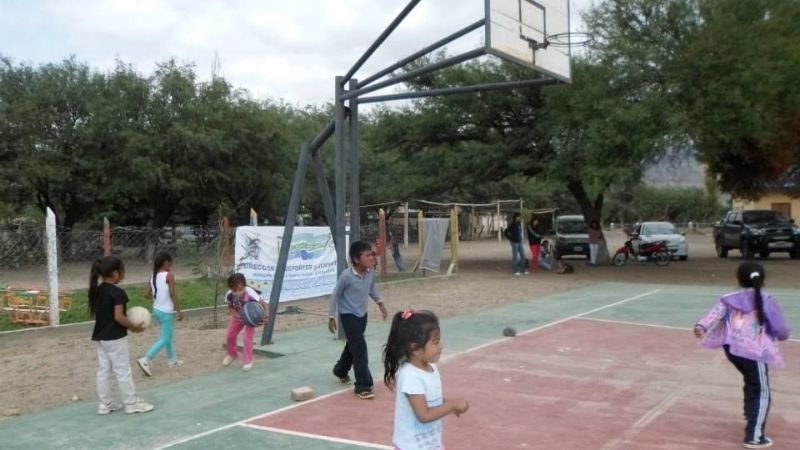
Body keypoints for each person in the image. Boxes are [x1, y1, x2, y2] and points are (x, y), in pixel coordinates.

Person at [694, 261, 790, 449]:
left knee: (751, 380)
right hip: (755, 352)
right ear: (763, 280)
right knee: (762, 390)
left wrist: (701, 326)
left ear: (738, 279)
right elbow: (782, 329)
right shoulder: (767, 299)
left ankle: (750, 413)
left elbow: (714, 315)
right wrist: (781, 335)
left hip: (732, 349)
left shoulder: (728, 298)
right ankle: (754, 436)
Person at [383, 308, 469, 449]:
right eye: (435, 342)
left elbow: (431, 399)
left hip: (431, 445)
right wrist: (452, 405)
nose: (441, 346)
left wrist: (447, 404)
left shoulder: (431, 368)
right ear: (415, 349)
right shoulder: (411, 376)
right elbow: (423, 415)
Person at [89, 256, 154, 415]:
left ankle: (105, 403)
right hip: (115, 337)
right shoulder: (118, 293)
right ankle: (131, 403)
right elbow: (119, 317)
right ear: (116, 273)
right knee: (123, 370)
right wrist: (133, 327)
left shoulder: (98, 290)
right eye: (123, 271)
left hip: (101, 337)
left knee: (104, 370)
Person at [328, 240, 388, 399]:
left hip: (362, 315)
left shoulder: (369, 273)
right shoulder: (346, 276)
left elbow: (372, 289)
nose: (372, 258)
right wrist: (331, 316)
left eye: (372, 255)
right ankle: (363, 386)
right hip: (348, 315)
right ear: (356, 259)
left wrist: (380, 303)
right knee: (360, 347)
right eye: (367, 255)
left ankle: (340, 370)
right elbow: (335, 295)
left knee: (353, 344)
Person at [137, 251, 183, 377]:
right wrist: (179, 311)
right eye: (171, 263)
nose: (171, 266)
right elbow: (173, 294)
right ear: (166, 262)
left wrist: (158, 296)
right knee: (166, 338)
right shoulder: (169, 275)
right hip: (166, 312)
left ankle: (172, 359)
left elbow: (146, 294)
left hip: (156, 310)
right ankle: (146, 359)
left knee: (168, 336)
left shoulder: (152, 276)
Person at [223, 273, 268, 371]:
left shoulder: (250, 292)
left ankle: (247, 361)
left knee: (247, 338)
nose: (238, 293)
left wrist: (266, 316)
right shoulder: (229, 295)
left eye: (240, 289)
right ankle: (232, 354)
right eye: (234, 290)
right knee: (230, 335)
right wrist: (236, 314)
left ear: (245, 286)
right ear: (230, 289)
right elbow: (230, 307)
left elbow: (264, 304)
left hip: (251, 316)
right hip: (238, 315)